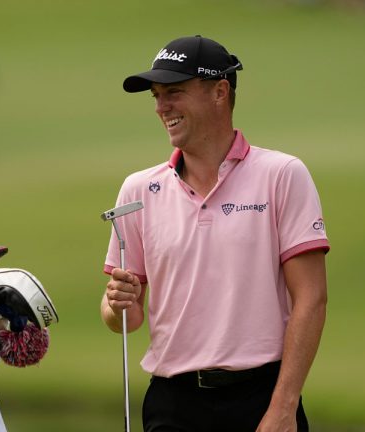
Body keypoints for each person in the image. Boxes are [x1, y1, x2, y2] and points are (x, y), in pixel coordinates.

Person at [101, 35, 329, 431]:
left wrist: (284, 407)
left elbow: (311, 298)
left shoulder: (282, 176)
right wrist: (116, 303)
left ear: (220, 92)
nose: (161, 107)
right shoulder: (138, 191)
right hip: (172, 404)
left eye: (174, 92)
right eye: (156, 95)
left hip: (261, 397)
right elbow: (126, 316)